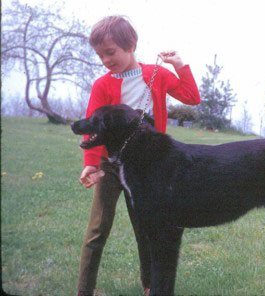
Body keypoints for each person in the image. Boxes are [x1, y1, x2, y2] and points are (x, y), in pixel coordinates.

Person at [76, 15, 200, 296]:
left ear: (131, 45)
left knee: (148, 228)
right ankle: (84, 290)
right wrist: (90, 165)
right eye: (100, 55)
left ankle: (150, 285)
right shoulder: (102, 85)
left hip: (146, 167)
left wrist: (180, 66)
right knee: (97, 230)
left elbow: (192, 97)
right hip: (110, 166)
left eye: (111, 52)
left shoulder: (157, 76)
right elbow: (94, 129)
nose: (106, 60)